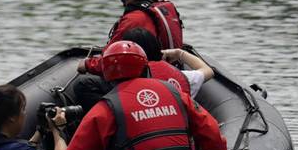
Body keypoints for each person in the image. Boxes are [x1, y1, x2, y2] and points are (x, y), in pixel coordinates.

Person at [63, 41, 230, 150]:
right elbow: (212, 134)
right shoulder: (177, 94)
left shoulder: (105, 109)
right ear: (146, 68)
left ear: (106, 77)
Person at [78, 27, 214, 99]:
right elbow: (208, 71)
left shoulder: (126, 85)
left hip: (137, 141)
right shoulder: (181, 78)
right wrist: (179, 53)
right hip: (178, 140)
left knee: (83, 85)